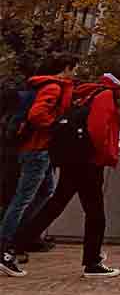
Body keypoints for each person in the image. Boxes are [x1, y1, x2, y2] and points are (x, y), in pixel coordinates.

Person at [6, 58, 120, 278]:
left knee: (56, 203)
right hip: (89, 161)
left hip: (74, 158)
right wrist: (105, 155)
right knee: (95, 213)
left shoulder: (91, 90)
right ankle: (92, 263)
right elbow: (97, 130)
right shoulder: (106, 95)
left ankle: (16, 244)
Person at [0, 53, 77, 274]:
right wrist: (58, 125)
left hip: (37, 149)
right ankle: (5, 245)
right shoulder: (53, 88)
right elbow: (37, 115)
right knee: (23, 198)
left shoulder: (43, 84)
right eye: (74, 69)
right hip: (38, 149)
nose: (75, 73)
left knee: (45, 192)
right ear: (66, 68)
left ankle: (20, 237)